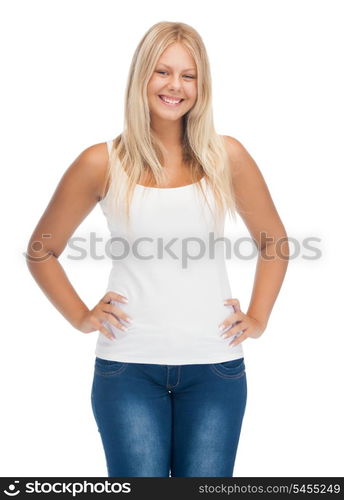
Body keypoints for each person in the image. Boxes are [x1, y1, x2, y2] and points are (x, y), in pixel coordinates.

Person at [26, 21, 289, 477]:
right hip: (127, 370)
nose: (175, 86)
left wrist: (259, 318)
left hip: (215, 368)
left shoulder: (227, 157)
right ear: (140, 77)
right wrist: (81, 316)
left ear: (202, 85)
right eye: (162, 72)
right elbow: (41, 250)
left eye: (188, 75)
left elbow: (275, 245)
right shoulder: (102, 162)